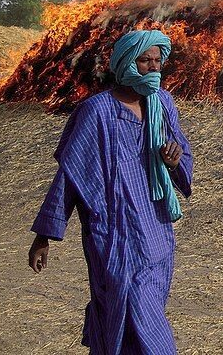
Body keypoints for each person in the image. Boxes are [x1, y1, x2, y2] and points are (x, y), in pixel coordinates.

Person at [27, 30, 193, 353]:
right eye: (145, 61)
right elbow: (70, 177)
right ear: (126, 63)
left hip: (157, 238)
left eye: (158, 61)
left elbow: (182, 156)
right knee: (127, 319)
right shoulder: (96, 112)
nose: (153, 68)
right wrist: (45, 235)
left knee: (142, 317)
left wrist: (174, 161)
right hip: (113, 239)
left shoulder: (162, 105)